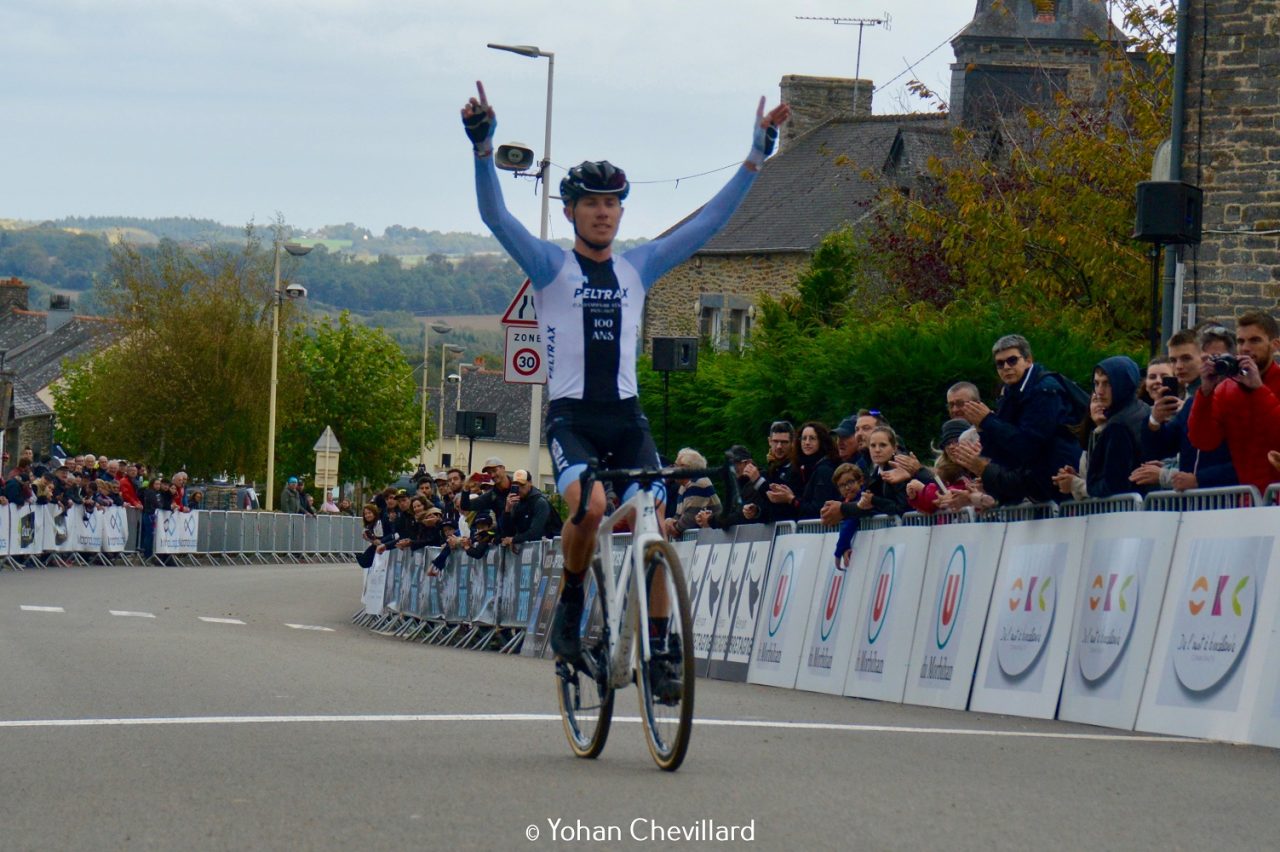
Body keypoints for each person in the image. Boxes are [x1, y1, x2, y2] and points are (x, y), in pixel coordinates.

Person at [465, 78, 788, 697]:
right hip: (572, 419)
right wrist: (484, 147)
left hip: (628, 418)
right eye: (592, 203)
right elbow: (493, 216)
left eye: (613, 203)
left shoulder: (639, 267)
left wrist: (755, 157)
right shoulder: (550, 266)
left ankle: (662, 650)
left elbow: (713, 222)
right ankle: (573, 605)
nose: (604, 211)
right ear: (570, 211)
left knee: (655, 523)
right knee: (588, 508)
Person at [961, 334, 1084, 503]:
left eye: (1012, 360)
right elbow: (1004, 449)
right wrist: (983, 430)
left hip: (1060, 477)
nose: (1006, 367)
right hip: (1038, 482)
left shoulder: (1044, 391)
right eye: (1000, 363)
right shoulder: (1011, 393)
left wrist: (988, 421)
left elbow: (1028, 444)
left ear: (1028, 360)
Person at [1130, 328, 1236, 492]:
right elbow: (1161, 449)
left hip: (1229, 504)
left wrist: (1198, 479)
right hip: (1192, 507)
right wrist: (1155, 420)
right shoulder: (1190, 404)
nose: (1179, 366)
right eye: (1173, 360)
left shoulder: (1239, 399)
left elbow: (1247, 460)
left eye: (1186, 358)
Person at [1188, 312, 1280, 495]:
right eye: (1240, 341)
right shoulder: (1227, 389)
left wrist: (1259, 390)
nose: (1245, 348)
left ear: (1275, 345)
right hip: (1249, 498)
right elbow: (1203, 441)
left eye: (1255, 341)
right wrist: (1205, 393)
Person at [1052, 356, 1148, 500]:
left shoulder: (1118, 425)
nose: (1100, 391)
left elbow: (1113, 485)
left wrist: (1075, 484)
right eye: (1096, 383)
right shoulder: (1142, 408)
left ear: (1123, 383)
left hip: (1124, 513)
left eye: (1107, 383)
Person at [765, 421, 839, 521]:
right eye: (804, 438)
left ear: (821, 441)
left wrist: (791, 499)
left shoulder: (824, 470)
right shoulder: (805, 467)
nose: (807, 442)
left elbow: (819, 510)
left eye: (812, 438)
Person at [663, 449, 723, 536]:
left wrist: (673, 528)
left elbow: (689, 520)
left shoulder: (698, 483)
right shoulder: (683, 487)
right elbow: (678, 516)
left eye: (676, 466)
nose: (673, 469)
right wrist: (669, 522)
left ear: (686, 468)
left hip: (713, 537)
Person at [500, 469, 559, 548]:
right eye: (516, 486)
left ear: (530, 483)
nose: (519, 489)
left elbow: (535, 533)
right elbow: (508, 532)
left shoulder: (540, 502)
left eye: (522, 485)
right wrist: (507, 510)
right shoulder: (517, 503)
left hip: (552, 549)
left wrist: (514, 540)